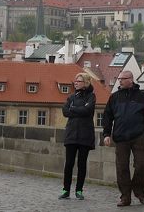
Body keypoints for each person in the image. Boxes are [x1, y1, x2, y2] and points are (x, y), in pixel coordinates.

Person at [102, 71, 144, 207]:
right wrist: (106, 134)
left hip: (138, 136)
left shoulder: (142, 97)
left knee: (141, 164)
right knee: (122, 167)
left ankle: (139, 192)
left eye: (123, 79)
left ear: (131, 79)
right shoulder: (114, 97)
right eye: (119, 79)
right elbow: (107, 116)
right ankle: (125, 197)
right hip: (120, 137)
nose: (120, 81)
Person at [59, 72, 96, 200]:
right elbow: (65, 111)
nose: (76, 83)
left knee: (82, 164)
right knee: (68, 163)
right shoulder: (71, 97)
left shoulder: (91, 96)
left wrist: (73, 109)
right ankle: (66, 189)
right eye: (75, 81)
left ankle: (79, 190)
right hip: (71, 134)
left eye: (79, 81)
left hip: (85, 134)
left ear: (85, 83)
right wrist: (78, 109)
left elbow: (88, 111)